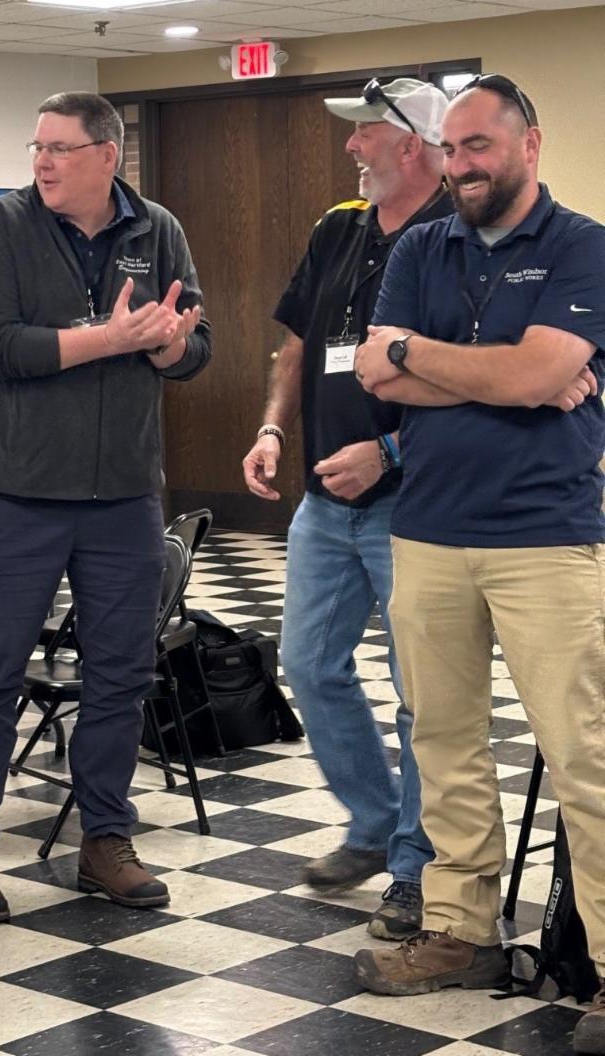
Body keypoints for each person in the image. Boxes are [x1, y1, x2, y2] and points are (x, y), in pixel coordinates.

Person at [350, 76, 605, 1053]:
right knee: (444, 746)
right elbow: (376, 368)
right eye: (449, 150)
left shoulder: (581, 245)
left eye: (478, 148)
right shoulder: (422, 244)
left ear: (528, 145)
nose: (460, 166)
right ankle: (461, 934)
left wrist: (435, 360)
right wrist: (500, 372)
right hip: (430, 531)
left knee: (585, 759)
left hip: (545, 538)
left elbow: (544, 375)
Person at [0, 91, 211, 922]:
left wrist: (166, 343)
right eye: (36, 147)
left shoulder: (157, 228)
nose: (43, 162)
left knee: (121, 676)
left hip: (124, 493)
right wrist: (107, 340)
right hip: (20, 493)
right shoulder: (4, 227)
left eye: (60, 148)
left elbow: (194, 345)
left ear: (108, 156)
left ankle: (105, 840)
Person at [241, 77, 450, 939]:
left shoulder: (455, 243)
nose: (352, 149)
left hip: (419, 509)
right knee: (310, 664)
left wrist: (392, 451)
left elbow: (477, 392)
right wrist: (271, 430)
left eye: (365, 135)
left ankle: (415, 862)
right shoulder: (339, 229)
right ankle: (373, 821)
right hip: (324, 503)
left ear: (410, 146)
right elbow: (295, 345)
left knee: (423, 697)